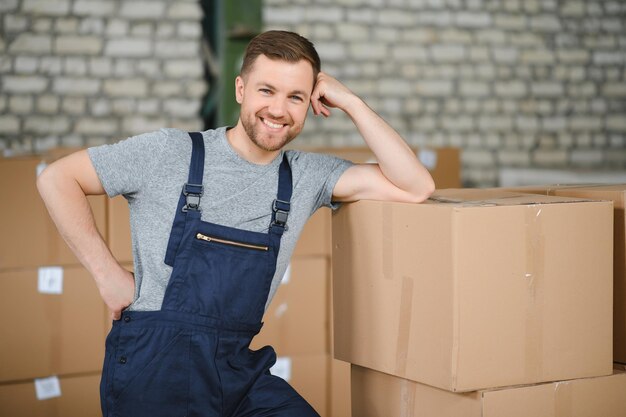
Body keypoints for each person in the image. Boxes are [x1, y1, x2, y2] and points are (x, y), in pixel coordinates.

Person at [37, 30, 434, 417]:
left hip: (237, 370)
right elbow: (57, 179)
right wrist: (106, 274)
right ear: (240, 89)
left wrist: (352, 102)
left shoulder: (307, 177)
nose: (279, 110)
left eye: (295, 96)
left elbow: (416, 185)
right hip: (156, 368)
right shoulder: (168, 152)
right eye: (267, 90)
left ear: (312, 101)